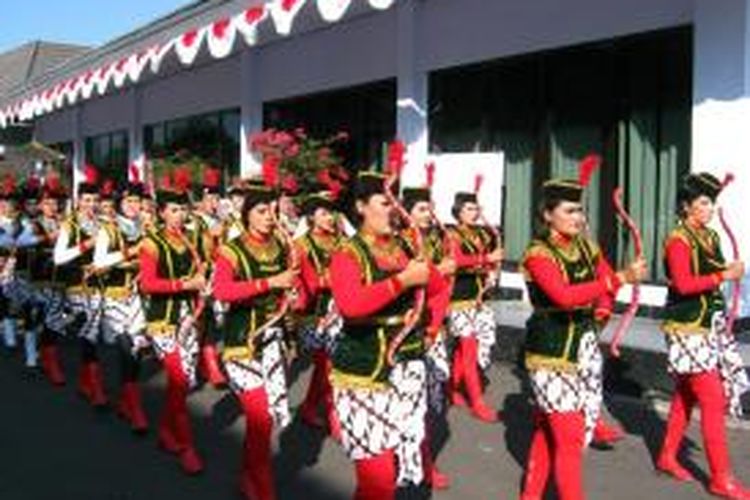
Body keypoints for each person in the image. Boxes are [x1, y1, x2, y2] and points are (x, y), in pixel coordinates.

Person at [519, 165, 645, 500]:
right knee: (570, 437)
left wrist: (604, 308)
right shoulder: (538, 253)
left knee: (550, 431)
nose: (578, 216)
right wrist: (618, 279)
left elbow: (605, 283)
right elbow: (563, 296)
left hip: (583, 352)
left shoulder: (587, 248)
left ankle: (530, 495)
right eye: (570, 210)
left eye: (580, 210)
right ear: (548, 214)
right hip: (549, 354)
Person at [329, 171, 451, 500]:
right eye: (386, 202)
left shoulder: (408, 249)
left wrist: (431, 328)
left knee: (389, 476)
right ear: (360, 207)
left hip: (408, 369)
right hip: (363, 374)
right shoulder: (347, 253)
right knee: (379, 480)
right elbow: (350, 306)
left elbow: (440, 290)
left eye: (397, 203)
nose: (395, 210)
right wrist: (402, 282)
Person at [655, 172, 750, 499]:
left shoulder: (709, 236)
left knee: (686, 395)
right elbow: (682, 284)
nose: (710, 209)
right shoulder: (678, 239)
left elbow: (708, 278)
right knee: (713, 399)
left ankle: (667, 456)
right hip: (686, 330)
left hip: (707, 326)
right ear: (686, 206)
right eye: (704, 202)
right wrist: (724, 274)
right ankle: (720, 478)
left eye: (712, 202)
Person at [213, 180, 297, 499]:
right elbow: (222, 291)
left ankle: (250, 476)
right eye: (263, 211)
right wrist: (269, 283)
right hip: (241, 344)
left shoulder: (283, 245)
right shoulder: (231, 250)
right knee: (260, 415)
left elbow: (294, 292)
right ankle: (263, 486)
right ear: (248, 215)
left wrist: (293, 294)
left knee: (266, 419)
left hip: (272, 340)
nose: (270, 217)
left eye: (274, 211)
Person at [138, 168, 206, 474]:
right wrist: (185, 285)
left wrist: (204, 282)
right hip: (162, 322)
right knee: (178, 379)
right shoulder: (151, 243)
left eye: (183, 209)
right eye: (174, 210)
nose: (180, 215)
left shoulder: (192, 239)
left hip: (189, 320)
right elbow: (148, 285)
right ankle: (186, 445)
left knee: (183, 385)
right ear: (162, 212)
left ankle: (166, 431)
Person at [93, 170, 149, 433]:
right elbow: (100, 263)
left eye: (138, 202)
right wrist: (131, 253)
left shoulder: (148, 227)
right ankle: (134, 407)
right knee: (126, 348)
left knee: (136, 352)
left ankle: (128, 401)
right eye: (129, 202)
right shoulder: (109, 229)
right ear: (119, 204)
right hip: (115, 296)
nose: (134, 206)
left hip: (141, 298)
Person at [446, 189, 503, 422]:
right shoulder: (450, 234)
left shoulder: (483, 233)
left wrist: (492, 270)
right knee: (468, 350)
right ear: (458, 212)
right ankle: (477, 402)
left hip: (480, 300)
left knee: (465, 350)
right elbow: (455, 261)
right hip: (459, 299)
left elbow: (492, 257)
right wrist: (485, 260)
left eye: (476, 208)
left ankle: (451, 387)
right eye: (469, 209)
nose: (474, 212)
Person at [53, 165, 106, 408]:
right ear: (78, 201)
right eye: (87, 199)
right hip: (75, 286)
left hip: (100, 287)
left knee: (92, 335)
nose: (91, 204)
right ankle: (92, 385)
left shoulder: (105, 223)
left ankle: (89, 382)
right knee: (85, 329)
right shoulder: (69, 225)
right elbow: (59, 258)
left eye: (95, 200)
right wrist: (86, 245)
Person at [295, 190, 343, 437]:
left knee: (330, 366)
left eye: (331, 213)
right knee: (327, 365)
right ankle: (332, 416)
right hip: (315, 316)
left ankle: (310, 406)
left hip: (342, 311)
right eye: (324, 213)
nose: (330, 218)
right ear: (311, 218)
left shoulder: (341, 241)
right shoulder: (301, 245)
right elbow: (311, 283)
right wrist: (341, 280)